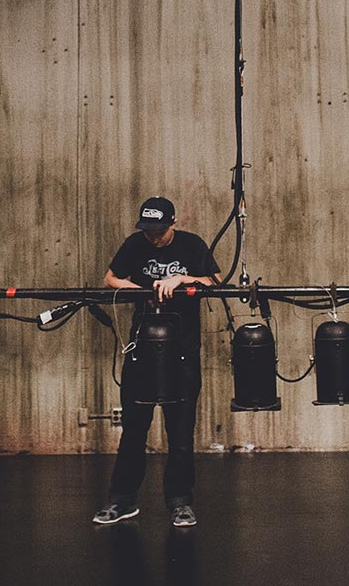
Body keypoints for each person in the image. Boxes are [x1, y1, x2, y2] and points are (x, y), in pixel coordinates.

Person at [93, 196, 221, 528]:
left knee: (180, 433)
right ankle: (123, 501)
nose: (153, 238)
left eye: (159, 232)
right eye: (149, 231)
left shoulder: (192, 245)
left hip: (182, 351)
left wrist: (182, 279)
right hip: (142, 348)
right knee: (134, 430)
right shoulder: (135, 245)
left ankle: (180, 503)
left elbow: (216, 282)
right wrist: (140, 289)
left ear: (173, 224)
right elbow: (110, 279)